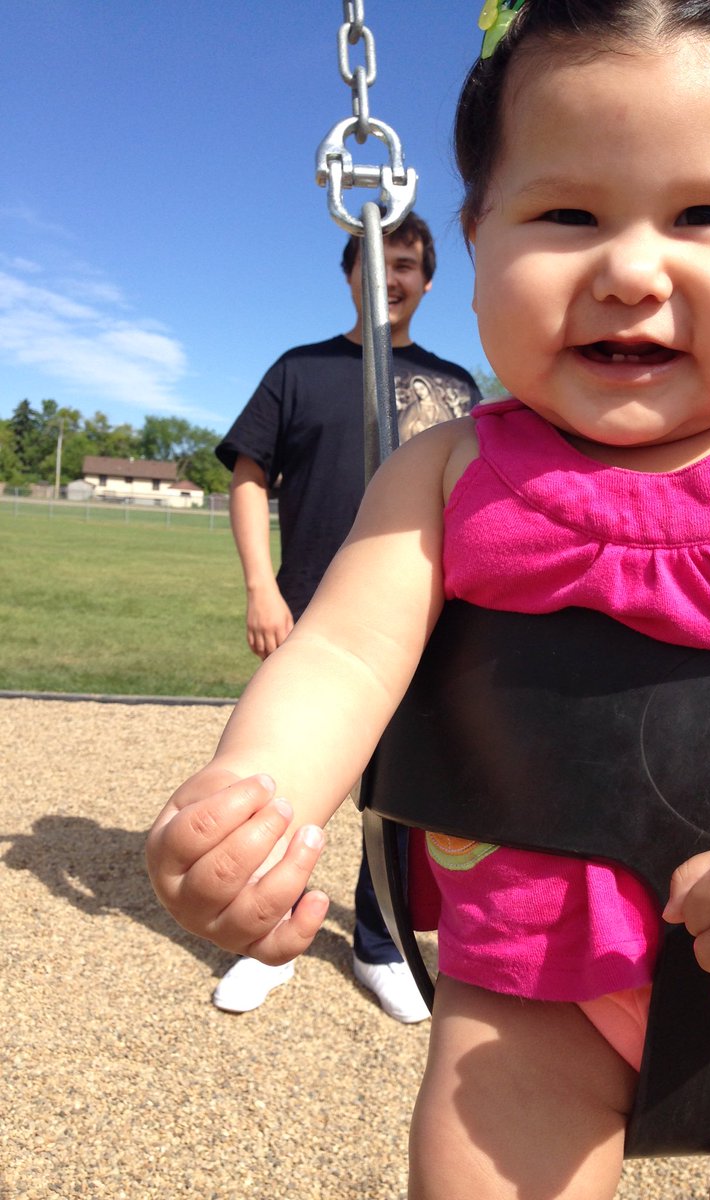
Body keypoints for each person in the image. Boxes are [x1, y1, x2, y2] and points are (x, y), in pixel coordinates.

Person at [147, 0, 710, 1195]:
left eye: (705, 214)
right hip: (533, 988)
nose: (632, 271)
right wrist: (257, 804)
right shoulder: (444, 473)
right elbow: (342, 661)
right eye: (566, 216)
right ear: (480, 233)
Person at [210, 210, 481, 1020]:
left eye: (405, 264)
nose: (389, 277)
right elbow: (250, 478)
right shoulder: (299, 370)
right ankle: (269, 935)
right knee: (286, 776)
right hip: (312, 615)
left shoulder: (456, 386)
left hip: (425, 622)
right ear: (349, 273)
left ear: (428, 282)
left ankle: (379, 941)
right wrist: (263, 587)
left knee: (398, 791)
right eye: (373, 260)